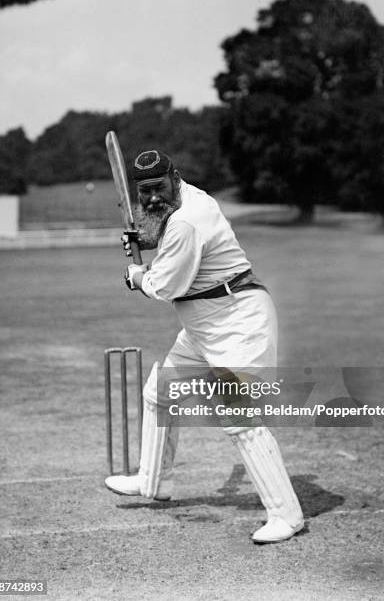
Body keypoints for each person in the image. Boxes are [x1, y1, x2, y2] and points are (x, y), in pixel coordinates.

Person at [105, 149, 304, 543]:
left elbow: (164, 287)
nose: (152, 199)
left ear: (175, 177)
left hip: (238, 322)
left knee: (240, 420)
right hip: (203, 324)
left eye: (159, 188)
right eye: (144, 193)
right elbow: (165, 229)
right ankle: (152, 481)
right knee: (158, 392)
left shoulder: (188, 221)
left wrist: (136, 275)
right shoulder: (186, 202)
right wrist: (146, 234)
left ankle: (287, 516)